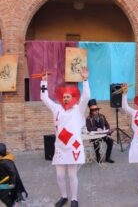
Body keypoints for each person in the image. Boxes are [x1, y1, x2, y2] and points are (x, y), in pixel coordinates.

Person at [40, 67, 90, 207]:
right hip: (60, 147)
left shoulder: (79, 109)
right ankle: (63, 197)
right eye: (64, 97)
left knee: (72, 175)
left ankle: (74, 199)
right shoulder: (57, 109)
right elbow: (44, 98)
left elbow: (86, 97)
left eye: (68, 97)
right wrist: (43, 82)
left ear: (73, 98)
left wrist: (85, 80)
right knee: (60, 175)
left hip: (73, 147)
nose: (66, 99)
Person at [86, 99, 115, 163]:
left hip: (103, 134)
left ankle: (107, 157)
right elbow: (89, 128)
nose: (96, 111)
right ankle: (98, 156)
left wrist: (106, 130)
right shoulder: (88, 118)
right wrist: (96, 129)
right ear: (91, 111)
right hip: (95, 136)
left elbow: (107, 125)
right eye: (94, 110)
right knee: (96, 143)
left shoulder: (102, 116)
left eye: (97, 109)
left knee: (110, 141)